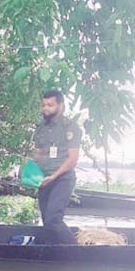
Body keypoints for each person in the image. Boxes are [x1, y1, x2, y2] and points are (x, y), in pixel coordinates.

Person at [30, 90, 82, 244]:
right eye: (44, 105)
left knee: (54, 219)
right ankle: (53, 258)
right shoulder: (41, 128)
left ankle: (77, 253)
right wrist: (30, 168)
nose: (45, 108)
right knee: (47, 223)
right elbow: (39, 154)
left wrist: (54, 176)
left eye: (50, 105)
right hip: (44, 179)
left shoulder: (70, 128)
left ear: (61, 106)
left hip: (62, 178)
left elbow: (72, 159)